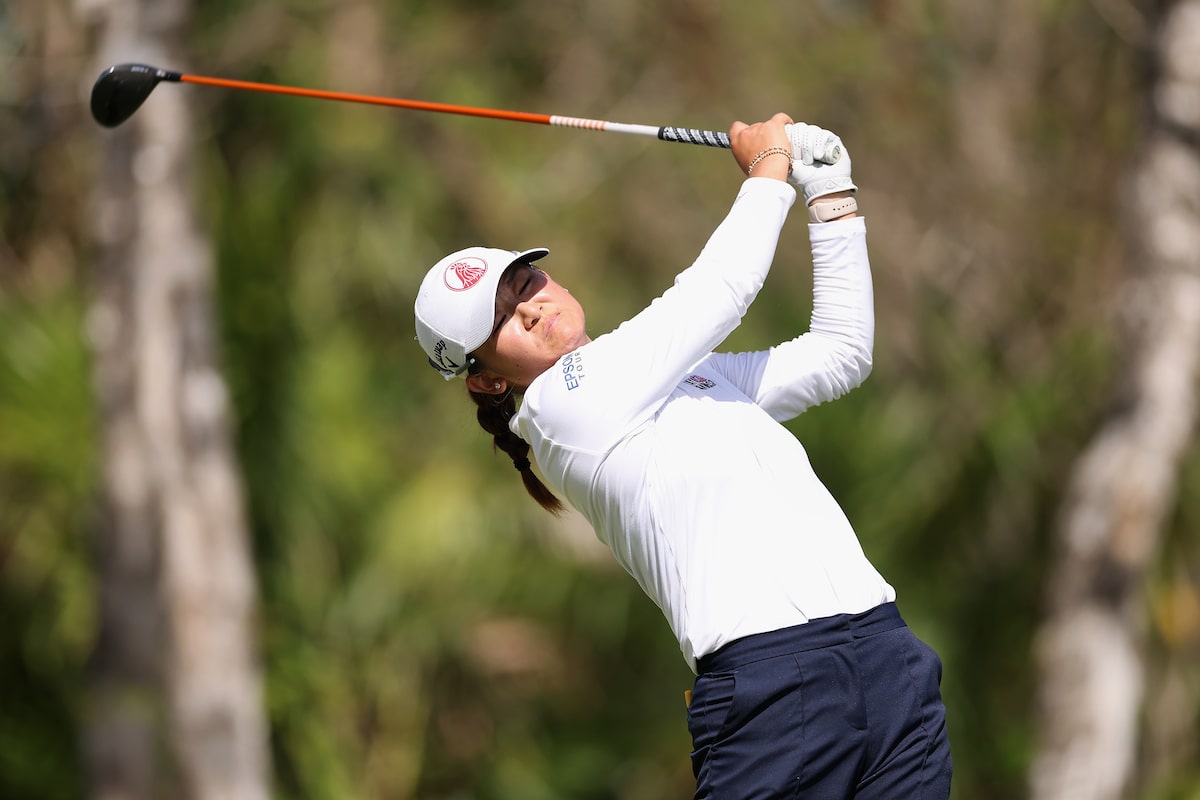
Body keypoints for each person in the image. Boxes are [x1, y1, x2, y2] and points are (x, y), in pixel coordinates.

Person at [414, 113, 952, 798]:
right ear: (488, 380)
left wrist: (830, 194)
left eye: (524, 283)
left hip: (888, 662)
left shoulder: (687, 377)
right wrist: (769, 168)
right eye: (497, 322)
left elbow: (840, 353)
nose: (528, 308)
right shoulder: (559, 407)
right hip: (774, 688)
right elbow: (720, 290)